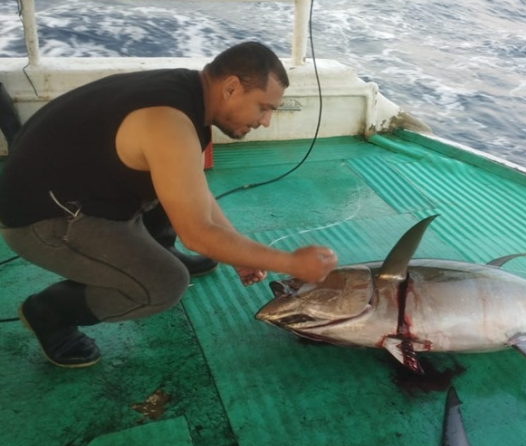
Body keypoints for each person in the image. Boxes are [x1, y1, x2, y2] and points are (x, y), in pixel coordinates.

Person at [0, 41, 338, 368]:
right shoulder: (169, 121)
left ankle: (159, 246)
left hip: (78, 186)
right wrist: (291, 262)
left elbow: (192, 185)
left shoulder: (187, 90)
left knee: (177, 181)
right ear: (232, 87)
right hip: (41, 220)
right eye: (263, 107)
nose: (265, 121)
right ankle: (48, 312)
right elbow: (197, 232)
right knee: (163, 284)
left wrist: (236, 253)